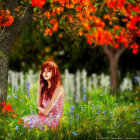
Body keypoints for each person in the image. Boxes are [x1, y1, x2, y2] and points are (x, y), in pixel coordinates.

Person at [21, 59, 65, 130]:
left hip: (52, 121)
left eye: (49, 71)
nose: (45, 73)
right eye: (44, 71)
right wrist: (39, 86)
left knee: (26, 123)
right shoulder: (46, 88)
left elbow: (45, 111)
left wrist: (39, 108)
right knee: (22, 120)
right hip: (44, 118)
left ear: (54, 73)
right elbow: (39, 104)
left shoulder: (59, 89)